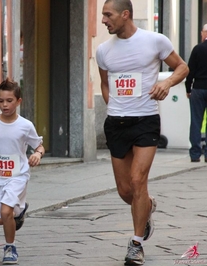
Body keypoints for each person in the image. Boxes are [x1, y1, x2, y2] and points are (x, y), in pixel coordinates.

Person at [96, 0, 189, 265]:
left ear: (125, 15)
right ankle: (147, 207)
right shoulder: (103, 50)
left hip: (146, 120)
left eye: (108, 15)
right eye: (102, 15)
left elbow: (182, 67)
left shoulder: (155, 41)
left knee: (138, 181)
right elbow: (105, 84)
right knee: (126, 191)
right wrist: (113, 104)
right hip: (116, 123)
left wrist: (167, 82)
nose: (104, 20)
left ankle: (136, 244)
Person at [0, 78, 44, 265]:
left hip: (18, 175)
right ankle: (18, 214)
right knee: (0, 219)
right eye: (1, 101)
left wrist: (37, 154)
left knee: (6, 211)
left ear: (18, 101)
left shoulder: (25, 125)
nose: (4, 105)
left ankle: (10, 247)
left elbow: (39, 145)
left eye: (9, 101)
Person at [185, 23, 207, 163]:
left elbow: (190, 71)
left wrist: (188, 88)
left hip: (198, 88)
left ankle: (195, 154)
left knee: (196, 121)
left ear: (204, 33)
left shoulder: (197, 49)